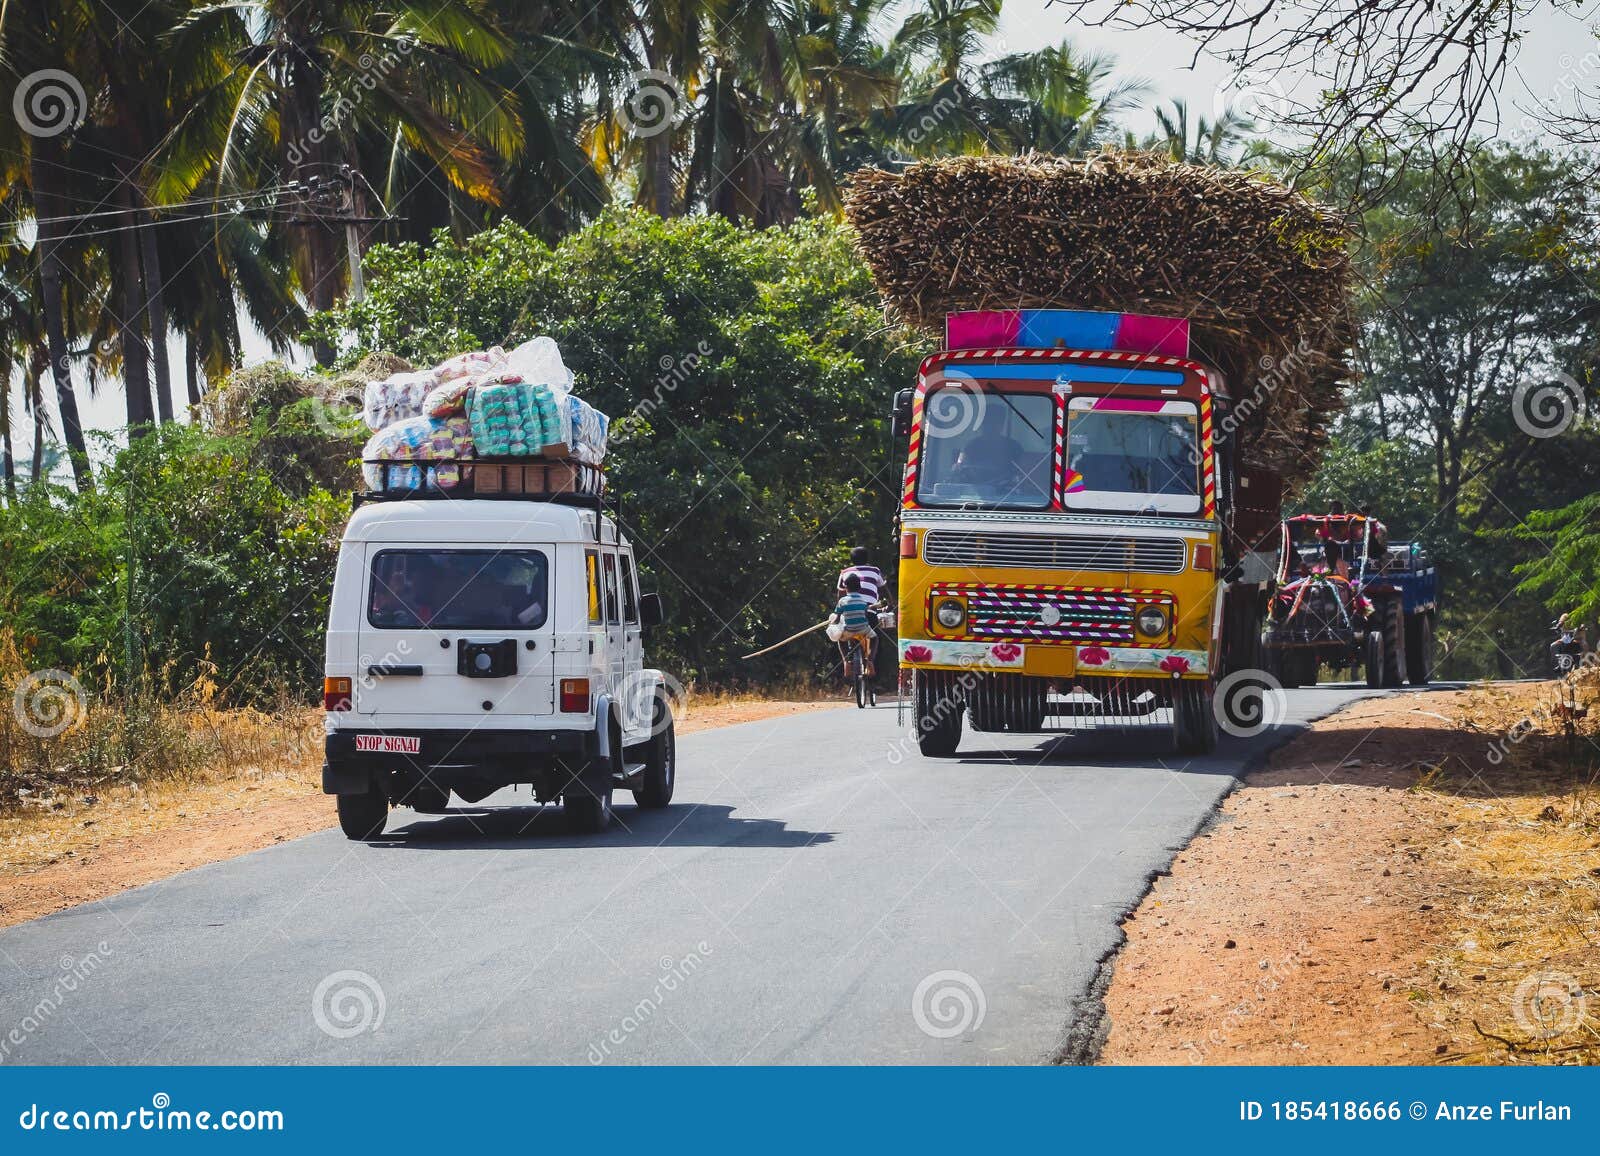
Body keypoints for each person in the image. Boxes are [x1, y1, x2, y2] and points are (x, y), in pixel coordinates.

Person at [832, 573, 877, 678]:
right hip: (863, 629)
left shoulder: (842, 601)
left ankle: (846, 661)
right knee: (875, 638)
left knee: (840, 640)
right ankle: (870, 660)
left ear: (845, 588)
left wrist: (833, 622)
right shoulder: (863, 601)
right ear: (860, 587)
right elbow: (865, 615)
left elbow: (837, 618)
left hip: (849, 630)